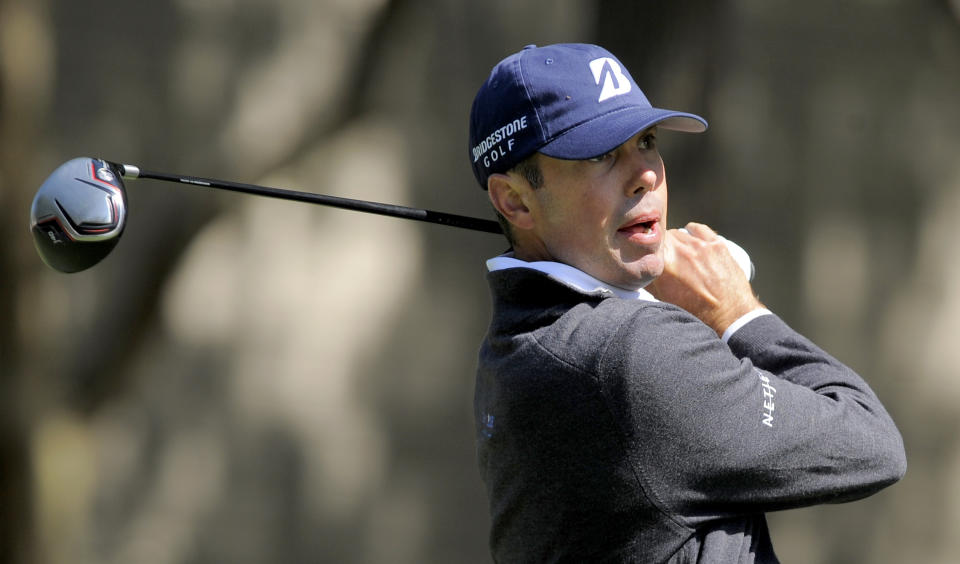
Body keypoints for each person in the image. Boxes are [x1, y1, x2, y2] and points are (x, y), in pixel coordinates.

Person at [467, 43, 906, 563]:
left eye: (646, 142)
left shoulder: (512, 345)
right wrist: (736, 312)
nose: (645, 174)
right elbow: (871, 444)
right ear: (515, 200)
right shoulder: (632, 352)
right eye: (599, 154)